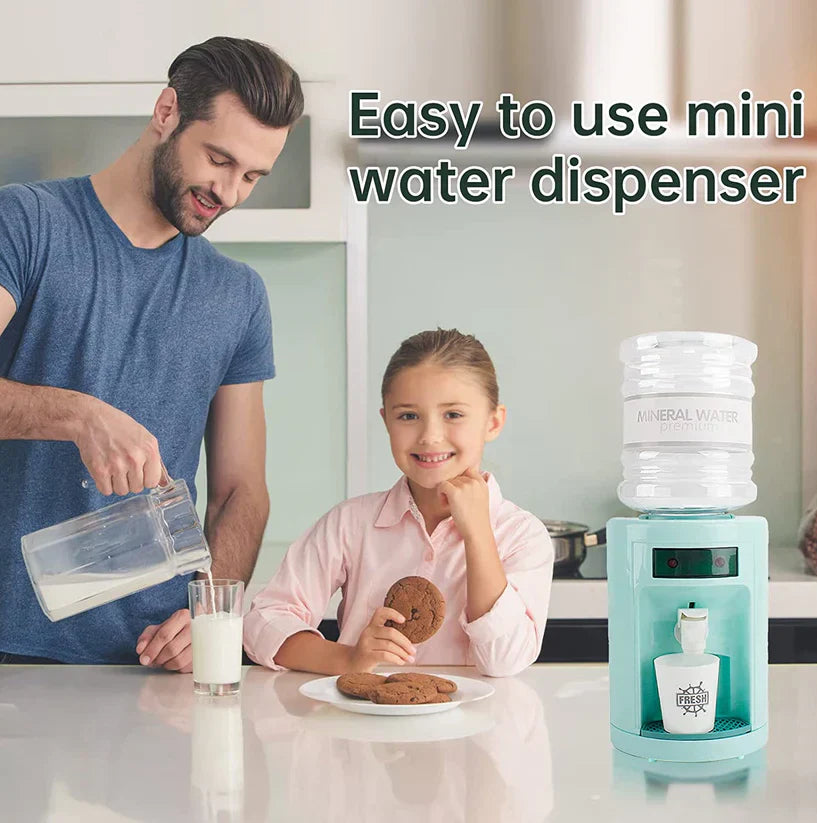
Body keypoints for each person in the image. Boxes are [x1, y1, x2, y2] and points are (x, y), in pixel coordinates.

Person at [0, 37, 303, 668]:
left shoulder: (237, 295)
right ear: (167, 112)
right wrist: (79, 415)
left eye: (251, 176)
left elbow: (241, 491)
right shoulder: (27, 223)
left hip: (150, 664)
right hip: (11, 650)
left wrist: (213, 612)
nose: (231, 193)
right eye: (218, 159)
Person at [244, 329, 554, 677]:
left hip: (475, 728)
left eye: (453, 414)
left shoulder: (522, 536)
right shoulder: (350, 524)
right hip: (363, 725)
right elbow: (263, 622)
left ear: (493, 422)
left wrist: (478, 534)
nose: (430, 436)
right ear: (387, 421)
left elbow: (505, 661)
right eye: (408, 416)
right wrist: (346, 659)